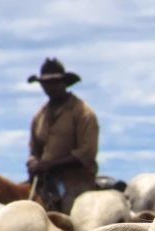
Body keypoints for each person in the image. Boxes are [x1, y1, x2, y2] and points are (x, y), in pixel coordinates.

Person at [26, 58, 100, 214]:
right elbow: (34, 149)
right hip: (44, 181)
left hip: (76, 180)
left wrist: (50, 165)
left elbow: (87, 153)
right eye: (45, 83)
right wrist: (33, 161)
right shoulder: (39, 116)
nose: (50, 87)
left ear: (64, 83)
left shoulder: (82, 112)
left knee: (72, 212)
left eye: (55, 82)